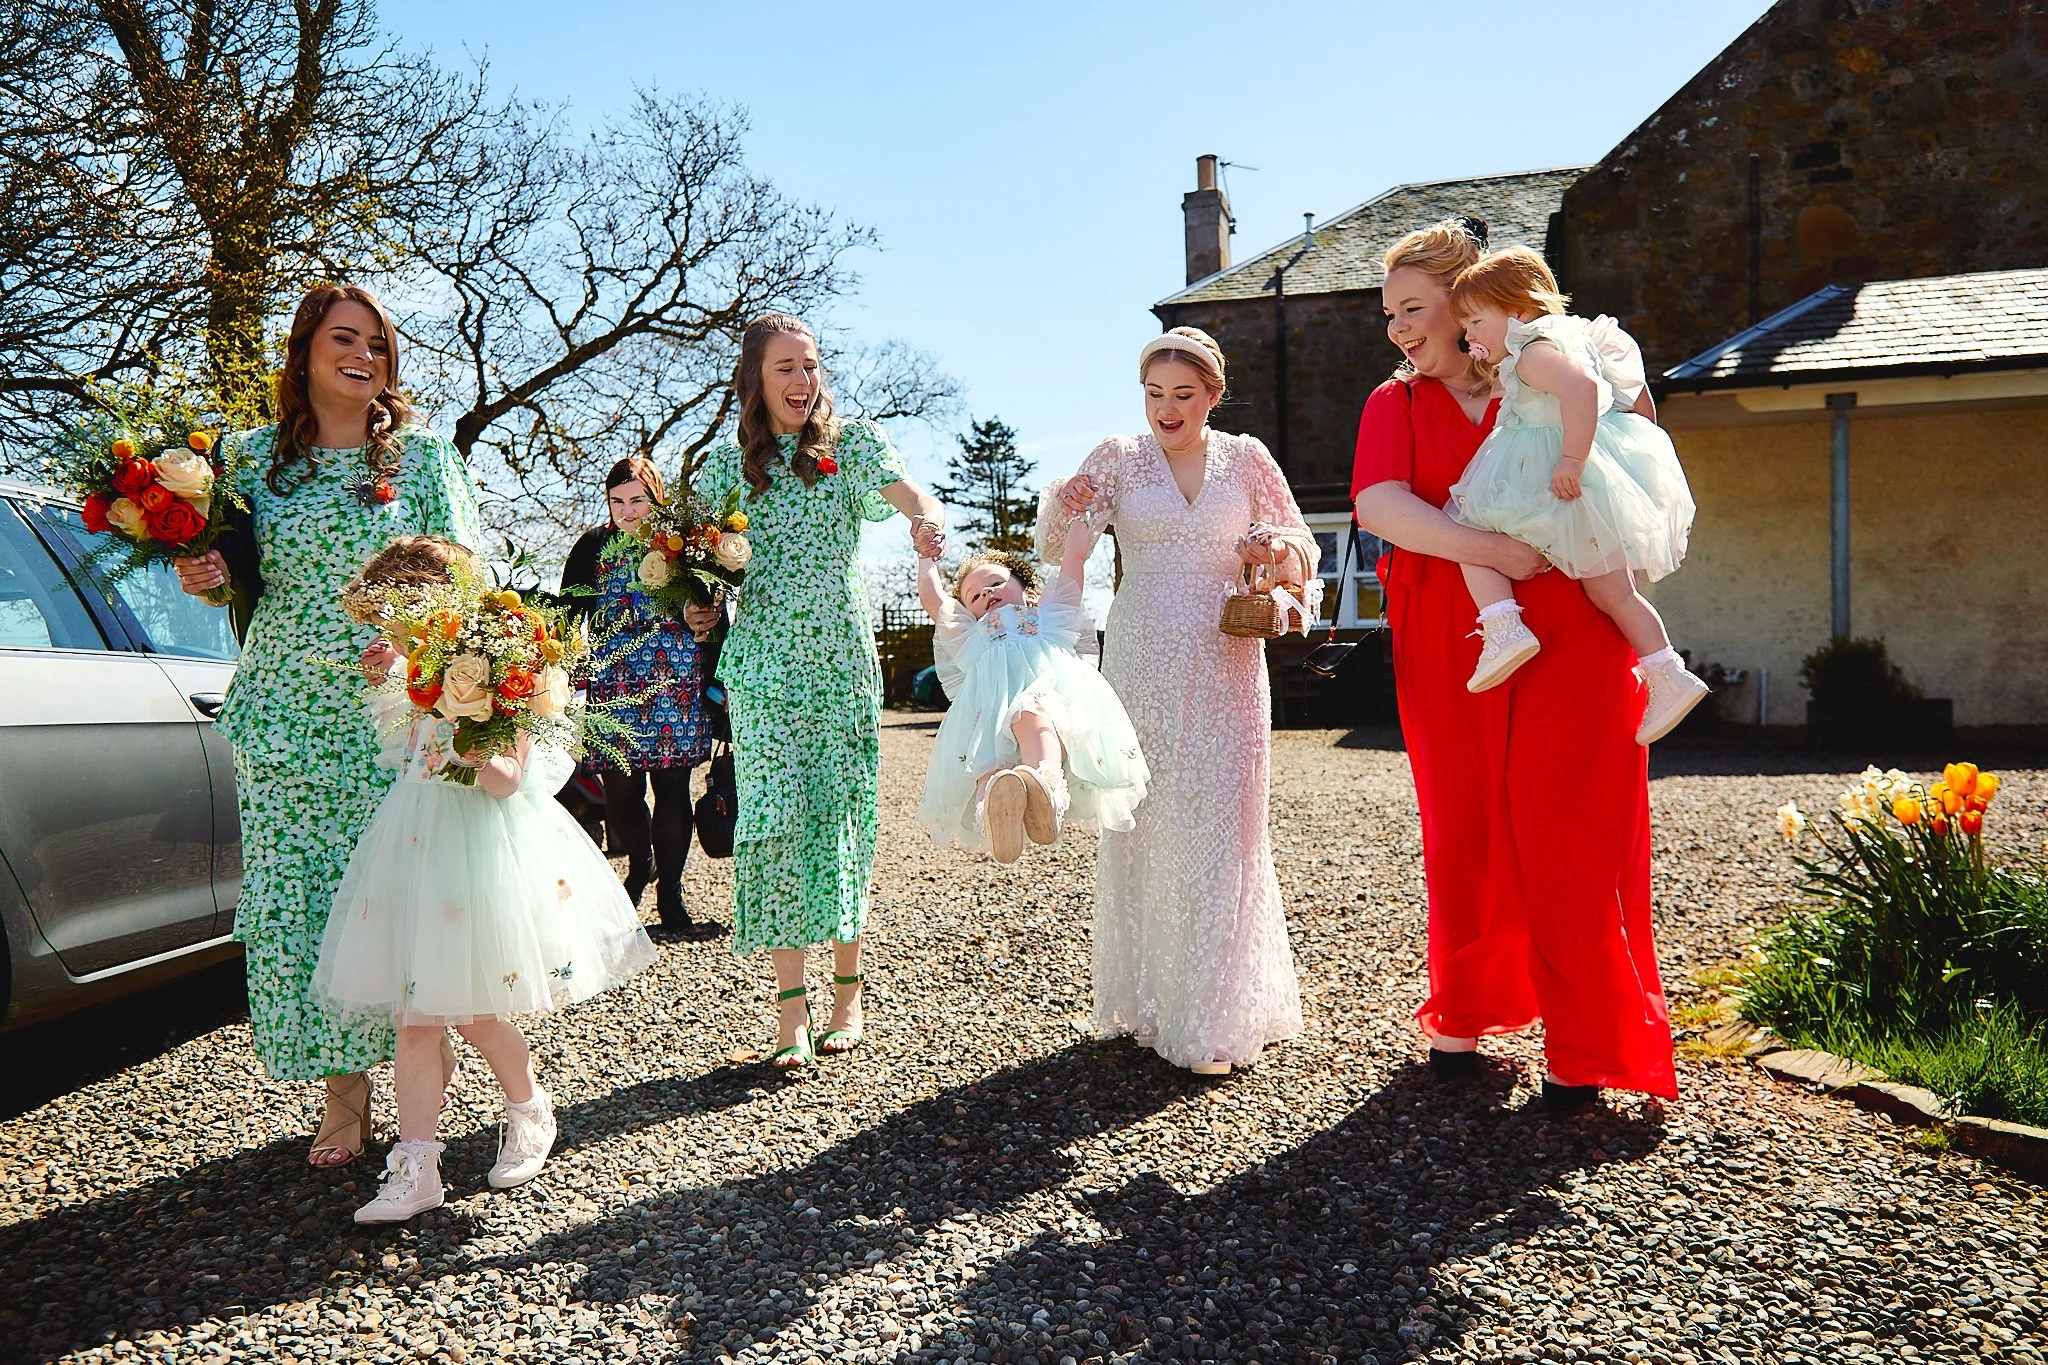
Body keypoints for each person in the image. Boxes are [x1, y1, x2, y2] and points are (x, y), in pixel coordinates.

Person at [1351, 220, 1678, 1108]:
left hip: (1576, 625)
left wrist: (1619, 388)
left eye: (1412, 309)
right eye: (1389, 315)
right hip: (1448, 633)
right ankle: (1465, 1010)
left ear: (1468, 301)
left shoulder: (1547, 365)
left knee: (1573, 825)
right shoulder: (1394, 404)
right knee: (1464, 824)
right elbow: (1378, 505)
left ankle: (1586, 1043)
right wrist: (1490, 546)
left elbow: (1635, 448)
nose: (1399, 331)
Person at [173, 284, 482, 1165]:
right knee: (304, 902)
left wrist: (415, 641)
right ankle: (343, 1094)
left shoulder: (424, 456)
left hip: (394, 716)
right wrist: (207, 576)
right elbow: (236, 575)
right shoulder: (246, 458)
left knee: (401, 898)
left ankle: (422, 1061)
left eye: (377, 344)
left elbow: (465, 574)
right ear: (304, 350)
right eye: (345, 338)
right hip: (283, 716)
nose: (363, 355)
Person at [313, 536, 655, 1222]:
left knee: (474, 1013)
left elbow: (505, 781)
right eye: (387, 621)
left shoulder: (501, 666)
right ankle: (417, 1166)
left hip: (478, 850)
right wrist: (398, 687)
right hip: (417, 843)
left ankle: (528, 1106)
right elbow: (404, 755)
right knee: (415, 1015)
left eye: (402, 617)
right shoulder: (412, 676)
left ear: (443, 608)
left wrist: (455, 718)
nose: (391, 633)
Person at [1046, 327, 1315, 1077]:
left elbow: (1301, 543)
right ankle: (1153, 1000)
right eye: (1154, 393)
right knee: (1152, 816)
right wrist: (1067, 502)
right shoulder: (1118, 456)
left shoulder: (1249, 458)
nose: (1167, 408)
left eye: (1183, 395)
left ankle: (1214, 1016)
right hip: (1141, 654)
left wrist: (1274, 551)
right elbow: (1062, 544)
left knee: (1224, 823)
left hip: (1229, 653)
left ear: (1213, 396)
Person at [694, 313, 947, 1070]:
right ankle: (789, 1013)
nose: (803, 380)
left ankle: (847, 997)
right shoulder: (725, 468)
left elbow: (912, 496)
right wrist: (698, 605)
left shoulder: (852, 444)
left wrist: (927, 521)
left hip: (839, 660)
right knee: (773, 823)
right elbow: (699, 569)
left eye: (810, 366)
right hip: (764, 665)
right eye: (786, 368)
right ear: (755, 379)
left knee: (838, 817)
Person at [1442, 246, 1710, 742]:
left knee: (1466, 528)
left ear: (1518, 310)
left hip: (1551, 476)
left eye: (1476, 321)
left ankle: (1503, 626)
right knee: (1613, 592)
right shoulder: (1568, 340)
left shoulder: (1531, 353)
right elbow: (1635, 402)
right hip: (1587, 489)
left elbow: (1582, 389)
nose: (1469, 335)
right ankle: (1667, 672)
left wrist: (1571, 459)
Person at [912, 518, 1149, 864]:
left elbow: (1074, 562)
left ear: (1030, 593)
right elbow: (933, 599)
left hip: (1044, 698)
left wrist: (1078, 517)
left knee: (1032, 717)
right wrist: (926, 557)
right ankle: (995, 814)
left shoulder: (1049, 616)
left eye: (995, 583)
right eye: (974, 596)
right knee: (986, 759)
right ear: (969, 613)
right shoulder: (971, 636)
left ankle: (1045, 787)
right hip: (989, 713)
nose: (986, 593)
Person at [560, 456, 718, 937]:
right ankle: (638, 863)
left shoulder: (684, 544)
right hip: (613, 680)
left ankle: (671, 894)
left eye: (638, 500)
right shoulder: (592, 545)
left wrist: (711, 638)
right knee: (621, 792)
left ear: (657, 498)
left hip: (676, 677)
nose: (628, 511)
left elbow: (713, 605)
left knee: (672, 789)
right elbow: (567, 610)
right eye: (617, 501)